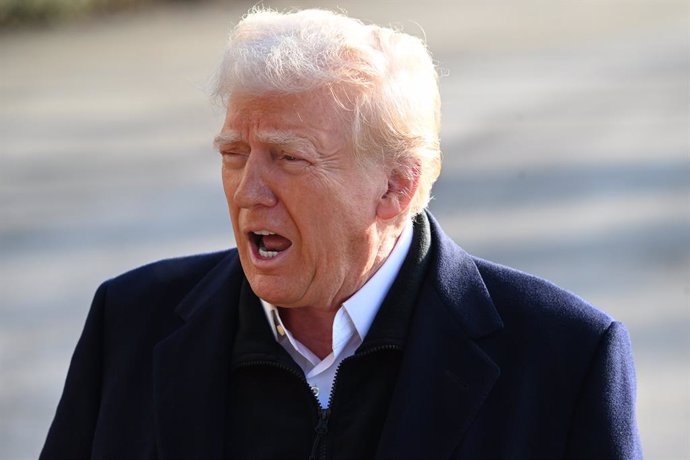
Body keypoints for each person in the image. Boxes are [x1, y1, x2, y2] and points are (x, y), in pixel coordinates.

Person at [41, 7, 642, 460]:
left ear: (395, 189)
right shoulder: (128, 324)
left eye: (288, 158)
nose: (249, 189)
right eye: (234, 154)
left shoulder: (564, 358)